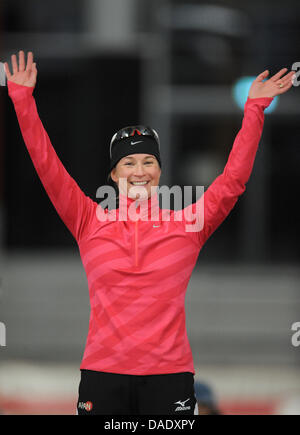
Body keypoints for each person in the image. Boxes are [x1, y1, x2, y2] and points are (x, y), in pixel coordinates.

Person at [4, 51, 294, 415]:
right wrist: (22, 101)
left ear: (159, 171)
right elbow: (46, 165)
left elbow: (233, 181)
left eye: (148, 161)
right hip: (102, 375)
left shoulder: (188, 224)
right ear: (114, 174)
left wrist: (254, 109)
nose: (139, 170)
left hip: (169, 377)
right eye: (128, 162)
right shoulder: (87, 219)